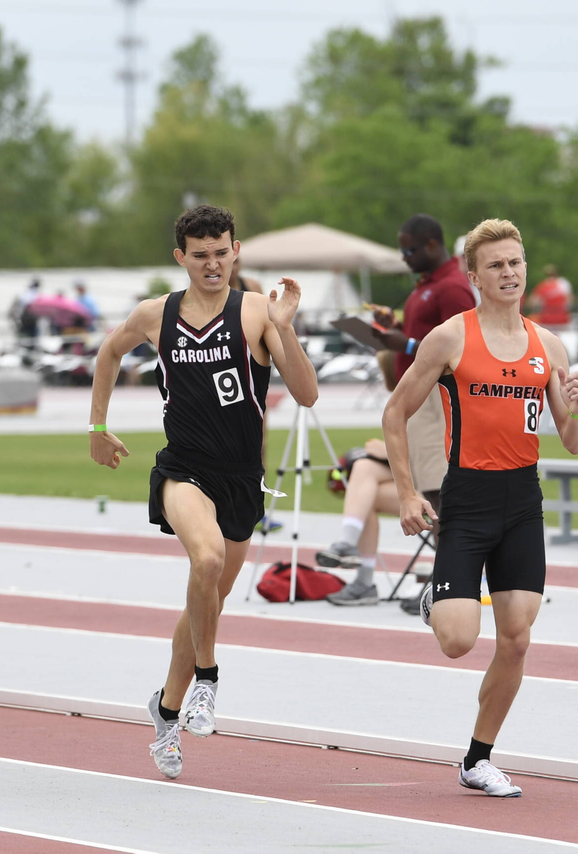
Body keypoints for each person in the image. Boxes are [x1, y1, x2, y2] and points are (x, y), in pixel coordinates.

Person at [88, 205, 318, 780]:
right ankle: (209, 682)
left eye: (222, 252)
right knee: (207, 558)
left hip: (242, 478)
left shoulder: (258, 312)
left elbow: (307, 394)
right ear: (181, 258)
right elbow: (109, 353)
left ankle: (166, 709)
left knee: (205, 601)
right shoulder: (155, 314)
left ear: (236, 250)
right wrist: (97, 428)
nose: (212, 264)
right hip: (182, 471)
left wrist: (285, 325)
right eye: (200, 255)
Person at [383, 218, 578, 798]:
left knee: (518, 637)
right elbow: (394, 413)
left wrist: (574, 407)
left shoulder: (549, 346)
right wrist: (405, 491)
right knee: (456, 641)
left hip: (523, 500)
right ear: (473, 275)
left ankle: (478, 759)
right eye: (496, 265)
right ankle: (438, 597)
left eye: (516, 262)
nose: (509, 273)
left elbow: (572, 440)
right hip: (468, 499)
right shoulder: (450, 338)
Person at [364, 214, 476, 612]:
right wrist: (394, 330)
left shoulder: (451, 287)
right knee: (431, 494)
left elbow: (462, 347)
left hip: (435, 402)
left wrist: (404, 343)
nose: (405, 257)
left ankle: (449, 584)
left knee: (438, 494)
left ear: (432, 245)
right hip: (414, 400)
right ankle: (444, 579)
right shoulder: (426, 286)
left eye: (410, 249)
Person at [315, 439, 396, 605]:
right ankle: (348, 545)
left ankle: (349, 549)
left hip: (442, 484)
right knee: (363, 468)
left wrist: (391, 451)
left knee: (365, 495)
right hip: (418, 474)